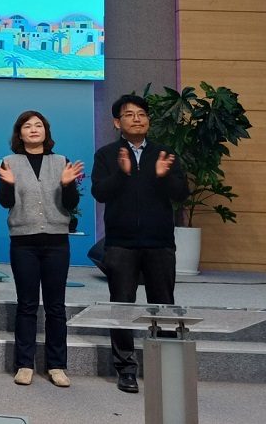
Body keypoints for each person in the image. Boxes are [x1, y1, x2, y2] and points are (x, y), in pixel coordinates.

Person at [91, 94, 188, 394]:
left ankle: (166, 367)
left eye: (142, 114)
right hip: (121, 243)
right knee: (122, 305)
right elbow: (100, 193)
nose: (137, 119)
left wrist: (162, 177)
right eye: (129, 114)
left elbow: (181, 194)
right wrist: (121, 173)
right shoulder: (107, 155)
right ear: (117, 122)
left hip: (159, 242)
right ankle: (126, 369)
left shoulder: (164, 153)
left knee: (164, 305)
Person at [0, 111, 83, 388]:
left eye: (38, 125)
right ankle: (25, 364)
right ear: (19, 134)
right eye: (27, 126)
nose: (33, 129)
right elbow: (5, 202)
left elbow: (70, 204)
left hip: (57, 241)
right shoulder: (10, 162)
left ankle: (57, 365)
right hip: (24, 242)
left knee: (56, 306)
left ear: (46, 131)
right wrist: (8, 185)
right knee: (27, 305)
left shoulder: (61, 162)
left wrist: (67, 184)